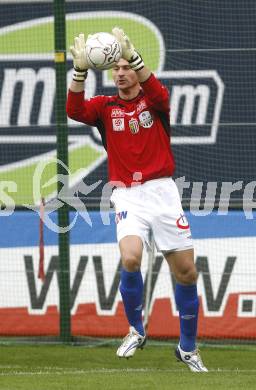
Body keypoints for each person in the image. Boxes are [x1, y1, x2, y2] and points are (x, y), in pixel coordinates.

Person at [66, 28, 208, 373]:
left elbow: (159, 92)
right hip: (127, 193)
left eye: (126, 67)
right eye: (115, 68)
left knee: (187, 273)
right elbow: (73, 109)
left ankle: (188, 348)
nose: (120, 72)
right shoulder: (103, 106)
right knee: (130, 257)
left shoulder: (154, 101)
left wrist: (136, 56)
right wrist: (80, 71)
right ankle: (135, 329)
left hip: (163, 193)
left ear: (136, 72)